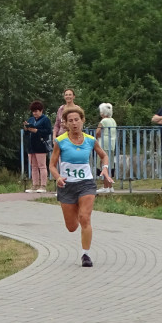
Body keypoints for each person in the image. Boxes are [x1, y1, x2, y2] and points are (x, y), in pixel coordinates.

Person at [48, 105, 112, 267]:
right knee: (71, 227)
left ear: (82, 121)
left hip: (86, 184)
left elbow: (104, 156)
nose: (74, 123)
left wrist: (104, 170)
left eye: (77, 120)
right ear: (65, 124)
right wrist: (57, 177)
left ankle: (85, 255)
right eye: (70, 121)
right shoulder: (60, 142)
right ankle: (76, 209)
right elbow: (52, 165)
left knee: (85, 218)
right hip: (67, 186)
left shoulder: (90, 141)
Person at [23, 100, 53, 192]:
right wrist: (26, 128)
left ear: (41, 110)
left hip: (40, 145)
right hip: (31, 145)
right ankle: (34, 185)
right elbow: (26, 133)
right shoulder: (30, 120)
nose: (34, 113)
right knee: (33, 166)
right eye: (33, 111)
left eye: (36, 111)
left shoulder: (45, 119)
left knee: (42, 165)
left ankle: (43, 185)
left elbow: (48, 131)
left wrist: (36, 131)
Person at [94, 103, 117, 193]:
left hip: (104, 143)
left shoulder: (103, 121)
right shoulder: (113, 120)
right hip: (112, 144)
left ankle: (105, 186)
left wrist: (97, 138)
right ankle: (110, 186)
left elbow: (97, 132)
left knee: (103, 164)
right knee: (109, 164)